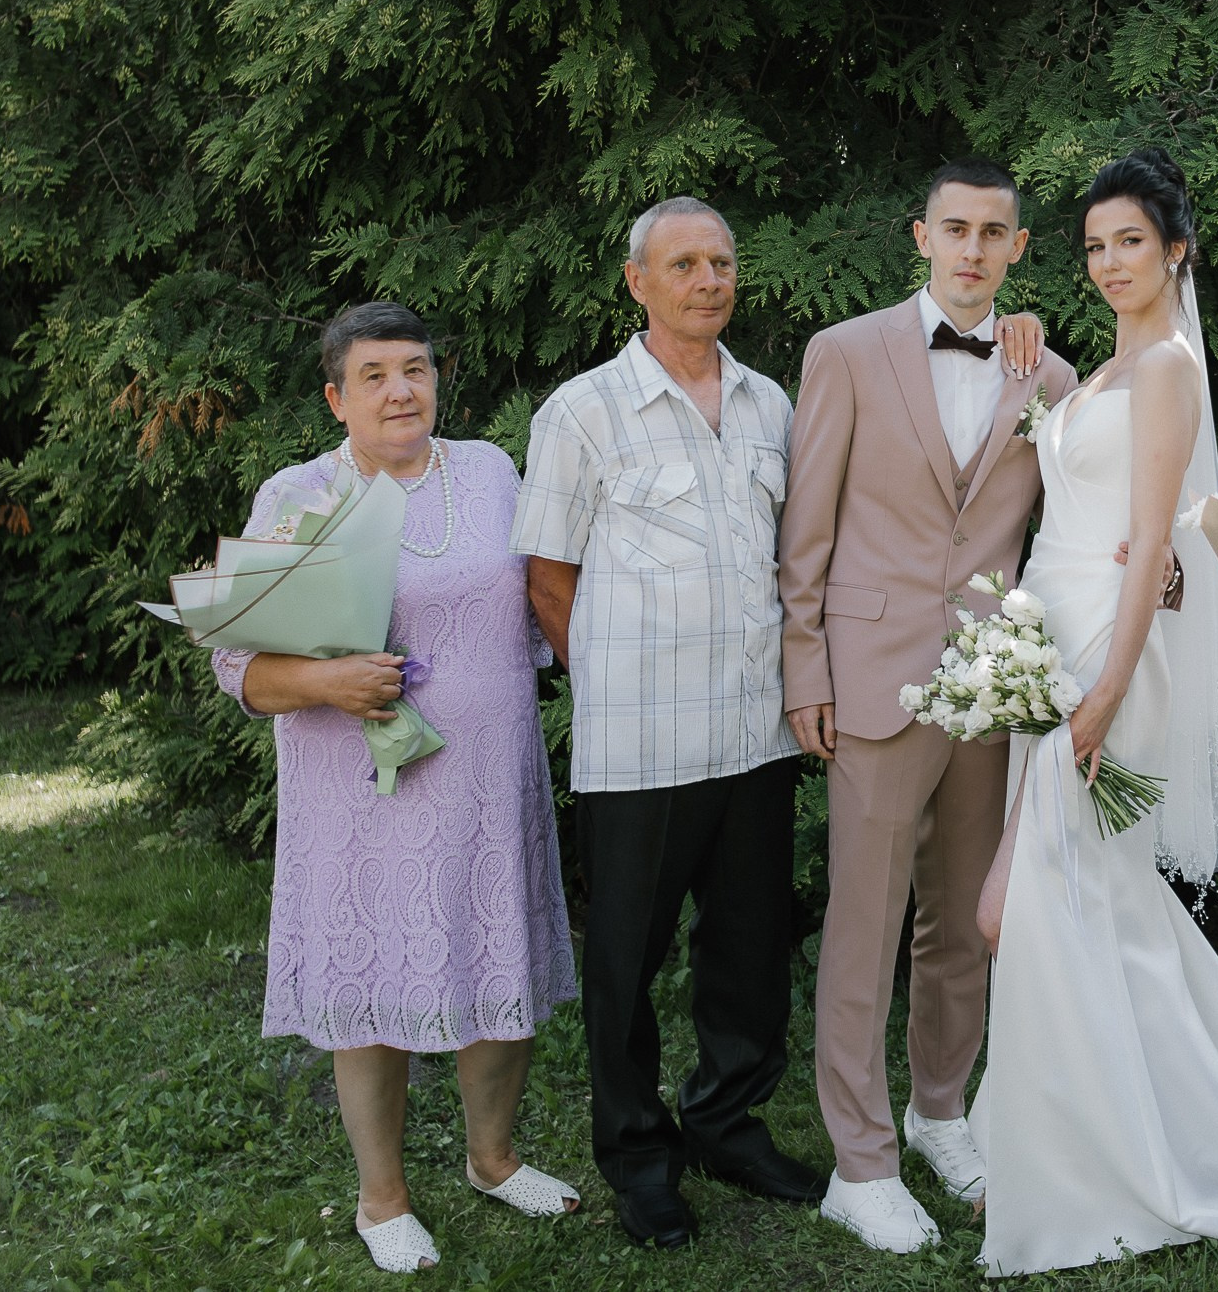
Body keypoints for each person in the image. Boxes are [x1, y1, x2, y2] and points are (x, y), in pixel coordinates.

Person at [969, 148, 1218, 1276]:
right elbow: (1078, 485)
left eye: (1132, 240)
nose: (1112, 261)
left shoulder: (1168, 367)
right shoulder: (1106, 370)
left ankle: (1113, 1157)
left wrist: (1112, 680)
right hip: (1052, 634)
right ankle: (1207, 1108)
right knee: (1077, 900)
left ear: (1176, 248)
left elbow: (1158, 542)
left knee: (1044, 899)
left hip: (1107, 654)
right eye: (1095, 246)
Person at [212, 300, 581, 1276]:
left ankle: (493, 1156)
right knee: (370, 977)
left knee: (497, 959)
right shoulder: (297, 494)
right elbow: (238, 665)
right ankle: (383, 1196)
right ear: (336, 395)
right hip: (359, 795)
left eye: (414, 368)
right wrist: (326, 680)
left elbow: (546, 600)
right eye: (373, 374)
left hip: (490, 780)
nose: (400, 389)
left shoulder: (493, 472)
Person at [776, 160, 1078, 1253]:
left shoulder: (1048, 375)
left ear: (1017, 249)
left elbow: (1083, 517)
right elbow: (805, 527)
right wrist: (803, 667)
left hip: (991, 689)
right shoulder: (846, 352)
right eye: (954, 228)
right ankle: (858, 1160)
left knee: (964, 922)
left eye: (993, 233)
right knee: (862, 924)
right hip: (868, 676)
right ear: (919, 235)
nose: (971, 249)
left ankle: (940, 1108)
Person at [511, 197, 819, 1250]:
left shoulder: (771, 402)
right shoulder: (583, 411)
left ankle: (728, 1122)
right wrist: (607, 683)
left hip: (754, 736)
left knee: (749, 949)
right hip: (639, 744)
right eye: (682, 261)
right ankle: (640, 1153)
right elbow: (548, 579)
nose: (707, 277)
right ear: (637, 281)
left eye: (721, 259)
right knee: (627, 961)